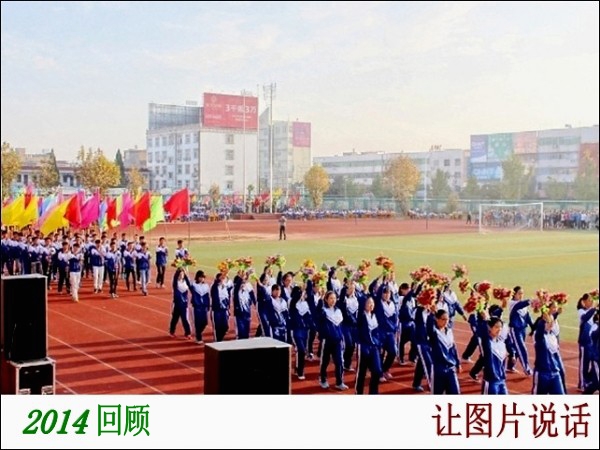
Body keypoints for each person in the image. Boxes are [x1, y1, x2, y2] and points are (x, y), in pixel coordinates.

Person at [429, 309, 462, 395]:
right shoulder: (434, 333)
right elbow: (429, 326)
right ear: (437, 319)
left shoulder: (449, 331)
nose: (446, 322)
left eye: (447, 319)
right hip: (438, 369)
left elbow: (453, 348)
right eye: (443, 319)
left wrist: (458, 363)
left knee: (455, 393)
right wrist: (431, 313)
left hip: (451, 368)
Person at [355, 297, 383, 394]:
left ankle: (373, 393)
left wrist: (378, 344)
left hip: (374, 347)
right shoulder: (361, 316)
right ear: (364, 304)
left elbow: (377, 332)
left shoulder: (374, 316)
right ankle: (358, 393)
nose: (371, 305)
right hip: (363, 347)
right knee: (361, 372)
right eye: (368, 303)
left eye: (372, 303)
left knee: (377, 370)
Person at [169, 268, 192, 340]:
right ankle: (172, 331)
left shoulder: (186, 281)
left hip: (184, 304)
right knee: (175, 319)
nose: (181, 275)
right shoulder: (176, 283)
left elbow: (190, 287)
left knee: (185, 319)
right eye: (180, 274)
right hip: (177, 303)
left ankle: (188, 333)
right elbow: (175, 280)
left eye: (182, 274)